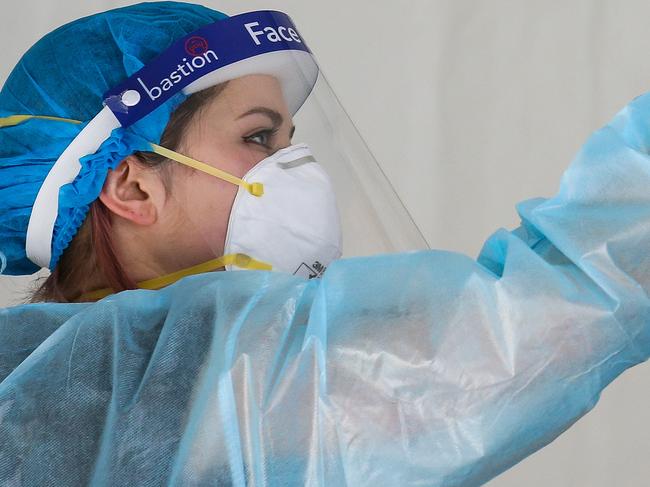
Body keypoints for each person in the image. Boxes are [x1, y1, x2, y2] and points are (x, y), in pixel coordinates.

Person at [1, 2, 649, 486]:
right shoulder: (165, 385)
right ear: (132, 186)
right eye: (258, 137)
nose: (297, 169)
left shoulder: (35, 376)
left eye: (289, 138)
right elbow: (524, 331)